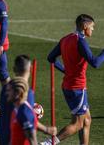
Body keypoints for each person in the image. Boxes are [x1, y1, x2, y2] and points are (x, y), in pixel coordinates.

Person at [42, 14, 104, 145]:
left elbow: (50, 58)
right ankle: (48, 143)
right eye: (92, 27)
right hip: (77, 88)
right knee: (77, 124)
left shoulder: (66, 39)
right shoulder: (80, 41)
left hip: (68, 85)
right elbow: (95, 63)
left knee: (87, 120)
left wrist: (66, 70)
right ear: (85, 26)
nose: (93, 30)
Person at [0, 55, 57, 145]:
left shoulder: (7, 89)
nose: (8, 94)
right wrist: (46, 129)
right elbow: (27, 119)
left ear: (14, 69)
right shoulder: (27, 93)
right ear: (30, 69)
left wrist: (46, 129)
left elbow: (27, 119)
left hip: (5, 138)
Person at [6, 77, 38, 145]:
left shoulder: (24, 113)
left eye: (9, 90)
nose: (6, 93)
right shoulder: (16, 109)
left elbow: (32, 140)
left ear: (18, 93)